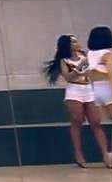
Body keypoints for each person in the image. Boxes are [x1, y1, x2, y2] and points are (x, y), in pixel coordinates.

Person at [43, 34, 108, 168]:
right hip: (74, 91)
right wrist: (79, 69)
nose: (77, 43)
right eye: (73, 42)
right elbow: (68, 77)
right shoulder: (64, 60)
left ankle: (105, 155)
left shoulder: (85, 55)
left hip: (88, 89)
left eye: (76, 41)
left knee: (96, 122)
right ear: (68, 45)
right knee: (77, 121)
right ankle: (78, 154)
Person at [85, 26, 112, 169]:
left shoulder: (90, 55)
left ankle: (106, 155)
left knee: (97, 125)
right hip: (108, 88)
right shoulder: (108, 54)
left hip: (95, 90)